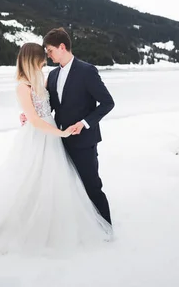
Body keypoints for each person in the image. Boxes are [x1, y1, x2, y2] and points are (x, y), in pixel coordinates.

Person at [0, 42, 112, 254]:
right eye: (42, 57)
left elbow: (50, 106)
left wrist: (44, 120)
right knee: (34, 181)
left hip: (52, 136)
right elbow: (35, 119)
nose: (46, 60)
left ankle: (66, 223)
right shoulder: (22, 86)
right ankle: (33, 227)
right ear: (32, 59)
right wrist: (58, 131)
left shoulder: (43, 78)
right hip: (40, 136)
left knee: (58, 181)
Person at [22, 27, 115, 225]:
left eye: (50, 50)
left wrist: (84, 123)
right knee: (66, 187)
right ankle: (77, 225)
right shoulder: (53, 75)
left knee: (91, 185)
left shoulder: (87, 71)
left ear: (62, 47)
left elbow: (108, 103)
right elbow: (49, 105)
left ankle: (106, 227)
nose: (47, 55)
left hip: (84, 141)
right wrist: (28, 114)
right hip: (57, 141)